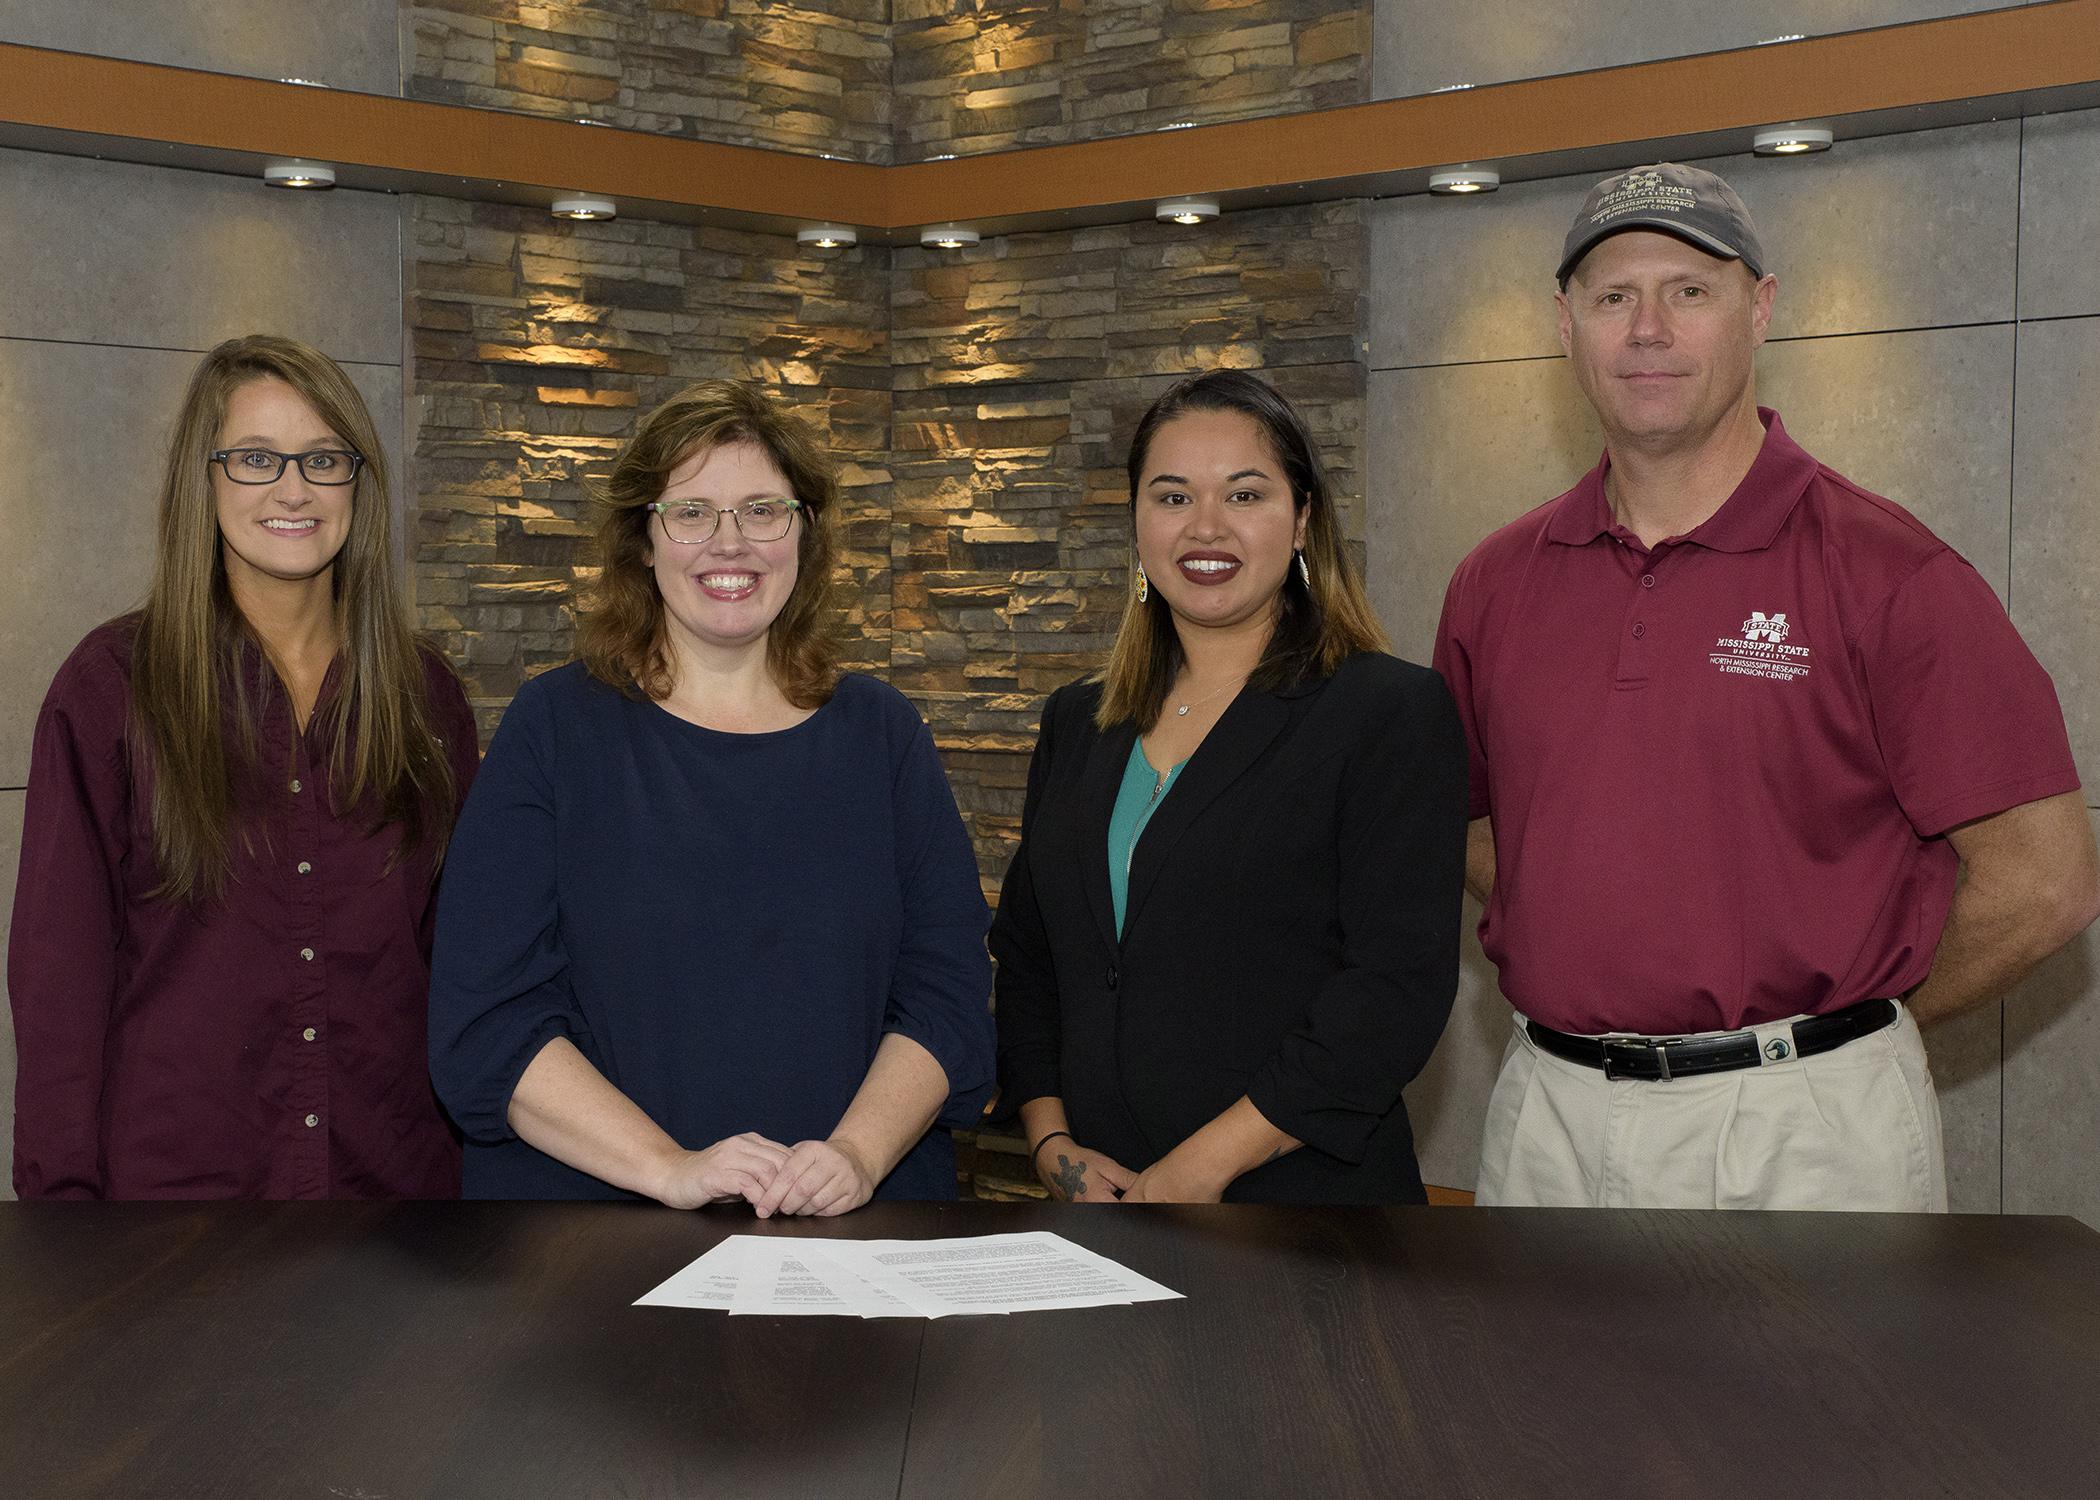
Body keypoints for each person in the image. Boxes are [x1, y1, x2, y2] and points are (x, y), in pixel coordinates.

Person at [1433, 162, 2100, 1211]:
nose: (1647, 328)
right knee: (1548, 1386)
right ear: (1565, 326)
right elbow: (1478, 828)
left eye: (1690, 290)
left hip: (1807, 1135)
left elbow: (2046, 881)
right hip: (1551, 1116)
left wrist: (1856, 1032)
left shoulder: (1893, 574)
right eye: (1614, 296)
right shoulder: (1492, 583)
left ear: (1762, 309)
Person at [428, 379, 994, 1212]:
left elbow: (946, 996)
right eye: (691, 513)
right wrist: (670, 1167)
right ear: (643, 541)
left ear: (804, 532)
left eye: (763, 511)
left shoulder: (883, 735)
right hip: (597, 1247)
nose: (730, 545)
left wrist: (856, 1156)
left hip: (854, 1235)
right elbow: (488, 1022)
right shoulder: (555, 729)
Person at [10, 334, 479, 1199]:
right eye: (256, 458)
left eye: (323, 459)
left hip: (398, 1208)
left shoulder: (426, 699)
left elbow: (460, 963)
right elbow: (59, 985)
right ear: (206, 477)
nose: (292, 489)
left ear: (358, 484)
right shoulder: (113, 687)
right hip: (173, 1214)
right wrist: (61, 1218)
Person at [993, 370, 1468, 1205]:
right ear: (1136, 523)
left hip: (1307, 1216)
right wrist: (1051, 1141)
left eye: (1245, 494)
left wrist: (1202, 1166)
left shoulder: (1385, 710)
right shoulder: (1077, 722)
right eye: (1171, 497)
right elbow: (1033, 959)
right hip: (1100, 1213)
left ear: (1303, 520)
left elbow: (1393, 987)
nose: (1205, 527)